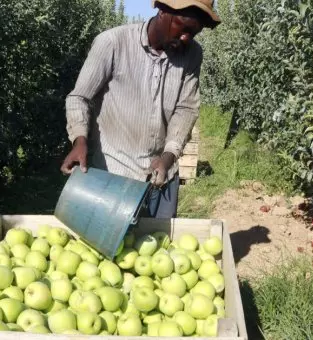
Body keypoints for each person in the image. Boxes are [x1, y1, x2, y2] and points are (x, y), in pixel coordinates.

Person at [60, 0, 220, 218]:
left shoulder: (192, 55)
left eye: (194, 33)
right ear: (163, 11)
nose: (186, 38)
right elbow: (80, 97)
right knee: (107, 246)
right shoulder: (113, 43)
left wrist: (168, 156)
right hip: (112, 175)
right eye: (183, 28)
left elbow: (186, 108)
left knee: (160, 247)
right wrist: (80, 140)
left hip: (161, 176)